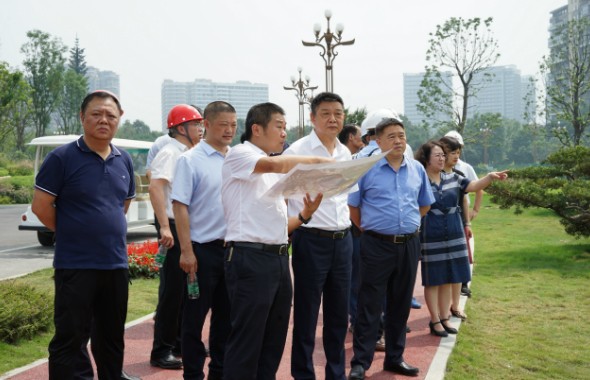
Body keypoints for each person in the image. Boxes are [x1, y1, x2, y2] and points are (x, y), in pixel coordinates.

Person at [32, 90, 136, 379]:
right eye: (96, 114)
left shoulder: (123, 160)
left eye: (110, 115)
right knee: (71, 339)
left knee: (112, 337)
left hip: (115, 264)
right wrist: (74, 230)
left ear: (119, 119)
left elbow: (121, 206)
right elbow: (41, 207)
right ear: (82, 117)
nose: (104, 120)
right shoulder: (62, 157)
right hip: (76, 264)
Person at [221, 102, 328, 380]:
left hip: (278, 259)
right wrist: (316, 162)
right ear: (256, 129)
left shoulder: (270, 174)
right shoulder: (241, 154)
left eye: (285, 127)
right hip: (249, 259)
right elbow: (274, 163)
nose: (284, 133)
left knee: (273, 339)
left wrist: (305, 215)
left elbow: (280, 226)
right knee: (247, 342)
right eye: (279, 126)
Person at [348, 117, 435, 380]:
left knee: (400, 304)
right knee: (369, 305)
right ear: (378, 141)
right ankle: (361, 362)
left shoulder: (417, 169)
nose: (399, 141)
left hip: (408, 245)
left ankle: (395, 358)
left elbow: (424, 204)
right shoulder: (367, 169)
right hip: (375, 244)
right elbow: (354, 207)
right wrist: (374, 230)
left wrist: (405, 227)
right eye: (392, 137)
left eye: (402, 135)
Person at [284, 92, 353, 380]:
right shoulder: (296, 152)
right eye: (325, 113)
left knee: (338, 317)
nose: (333, 118)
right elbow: (282, 196)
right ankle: (303, 374)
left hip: (343, 241)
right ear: (312, 118)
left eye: (338, 113)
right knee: (307, 314)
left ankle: (336, 374)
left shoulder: (345, 153)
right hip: (311, 241)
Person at [414, 141, 508, 339]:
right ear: (426, 159)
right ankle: (435, 320)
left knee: (451, 277)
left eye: (443, 155)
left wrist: (490, 177)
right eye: (437, 155)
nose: (442, 158)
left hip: (454, 230)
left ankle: (445, 317)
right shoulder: (418, 180)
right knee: (433, 280)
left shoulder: (455, 178)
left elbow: (473, 186)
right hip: (431, 232)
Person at [171, 101, 237, 380]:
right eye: (223, 124)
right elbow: (179, 206)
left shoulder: (237, 157)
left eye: (234, 125)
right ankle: (193, 373)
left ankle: (219, 373)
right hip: (201, 251)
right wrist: (186, 251)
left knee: (227, 318)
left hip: (234, 251)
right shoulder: (190, 160)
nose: (229, 130)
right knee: (194, 319)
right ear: (206, 125)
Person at [149, 104, 203, 370]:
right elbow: (156, 187)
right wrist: (164, 226)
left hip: (184, 225)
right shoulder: (170, 152)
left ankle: (180, 342)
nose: (201, 130)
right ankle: (162, 350)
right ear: (181, 128)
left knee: (184, 290)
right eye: (196, 125)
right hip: (171, 224)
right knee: (171, 292)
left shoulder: (186, 152)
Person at [444, 130, 482, 299]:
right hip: (445, 214)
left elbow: (476, 188)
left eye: (458, 151)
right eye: (452, 151)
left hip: (460, 211)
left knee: (463, 250)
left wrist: (475, 211)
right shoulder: (438, 168)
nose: (456, 154)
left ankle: (463, 283)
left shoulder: (465, 168)